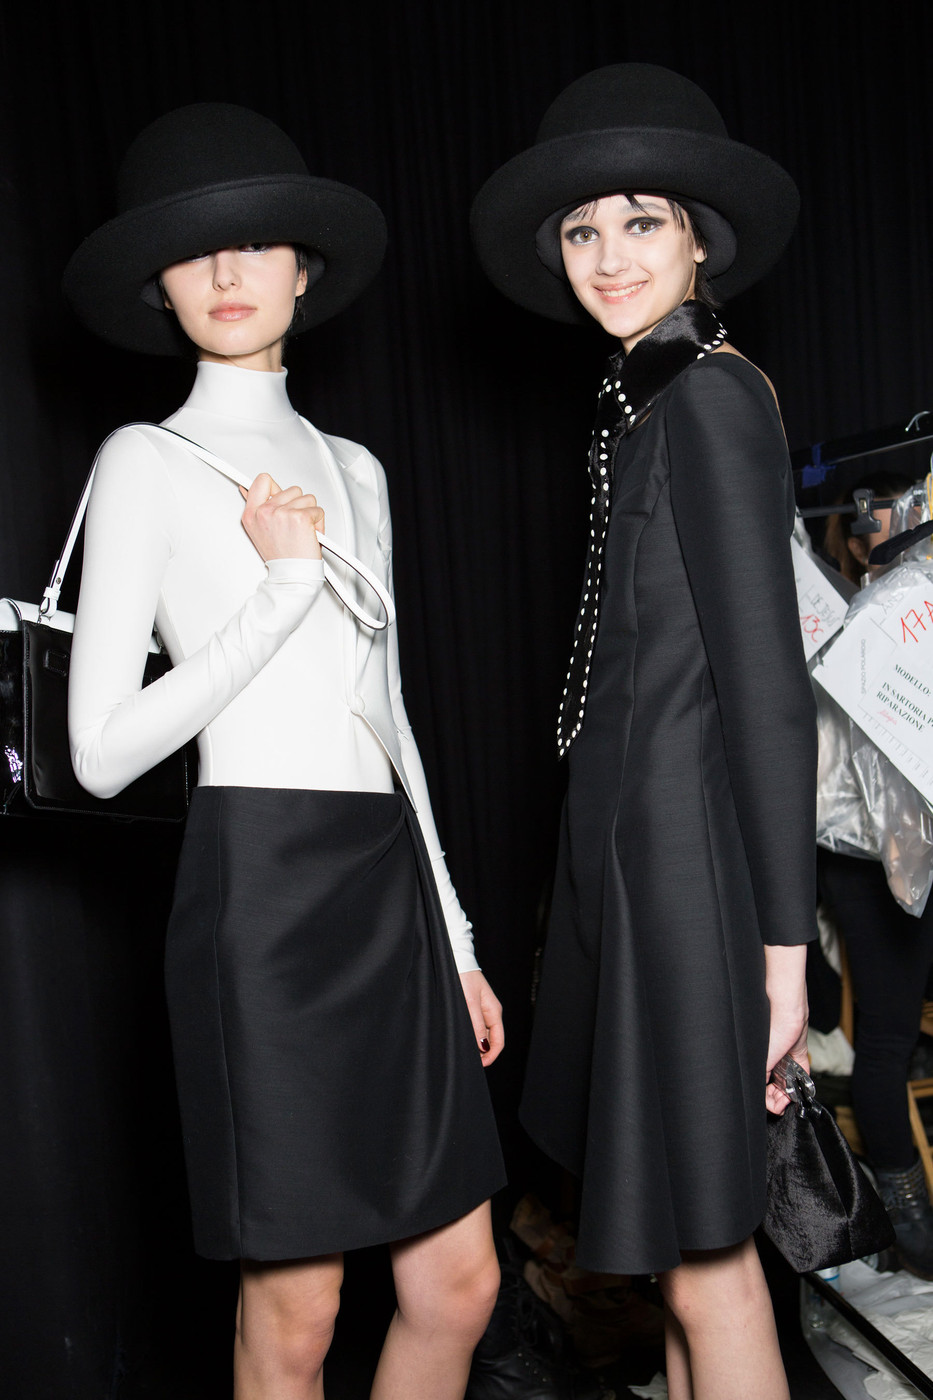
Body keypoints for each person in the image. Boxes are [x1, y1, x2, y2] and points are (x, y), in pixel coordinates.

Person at [63, 102, 505, 1399]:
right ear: (158, 283)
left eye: (256, 243)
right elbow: (99, 753)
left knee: (459, 1284)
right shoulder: (143, 461)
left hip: (388, 883)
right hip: (260, 893)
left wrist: (456, 937)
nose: (226, 271)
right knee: (299, 1316)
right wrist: (281, 590)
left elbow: (390, 713)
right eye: (195, 249)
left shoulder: (356, 468)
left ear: (305, 269)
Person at [472, 65, 815, 1400]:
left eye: (641, 222)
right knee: (676, 1257)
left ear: (699, 240)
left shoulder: (711, 396)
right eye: (582, 230)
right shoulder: (646, 400)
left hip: (689, 889)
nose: (610, 256)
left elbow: (767, 689)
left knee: (709, 1261)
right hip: (631, 872)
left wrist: (782, 951)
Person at [817, 471, 933, 1278]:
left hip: (905, 853)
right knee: (886, 1039)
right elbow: (835, 790)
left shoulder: (906, 613)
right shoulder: (844, 629)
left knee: (895, 1037)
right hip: (859, 862)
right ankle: (906, 1216)